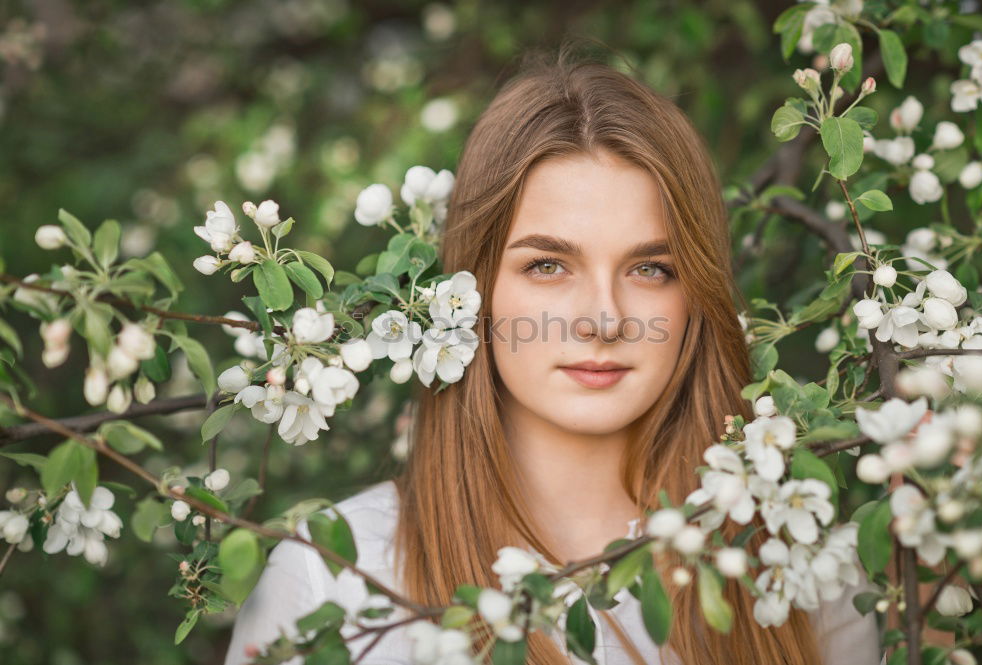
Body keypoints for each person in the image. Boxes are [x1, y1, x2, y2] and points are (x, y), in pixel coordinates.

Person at [224, 42, 882, 665]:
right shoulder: (331, 577)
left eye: (651, 268)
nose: (603, 318)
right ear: (472, 289)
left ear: (696, 296)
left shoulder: (804, 574)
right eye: (547, 266)